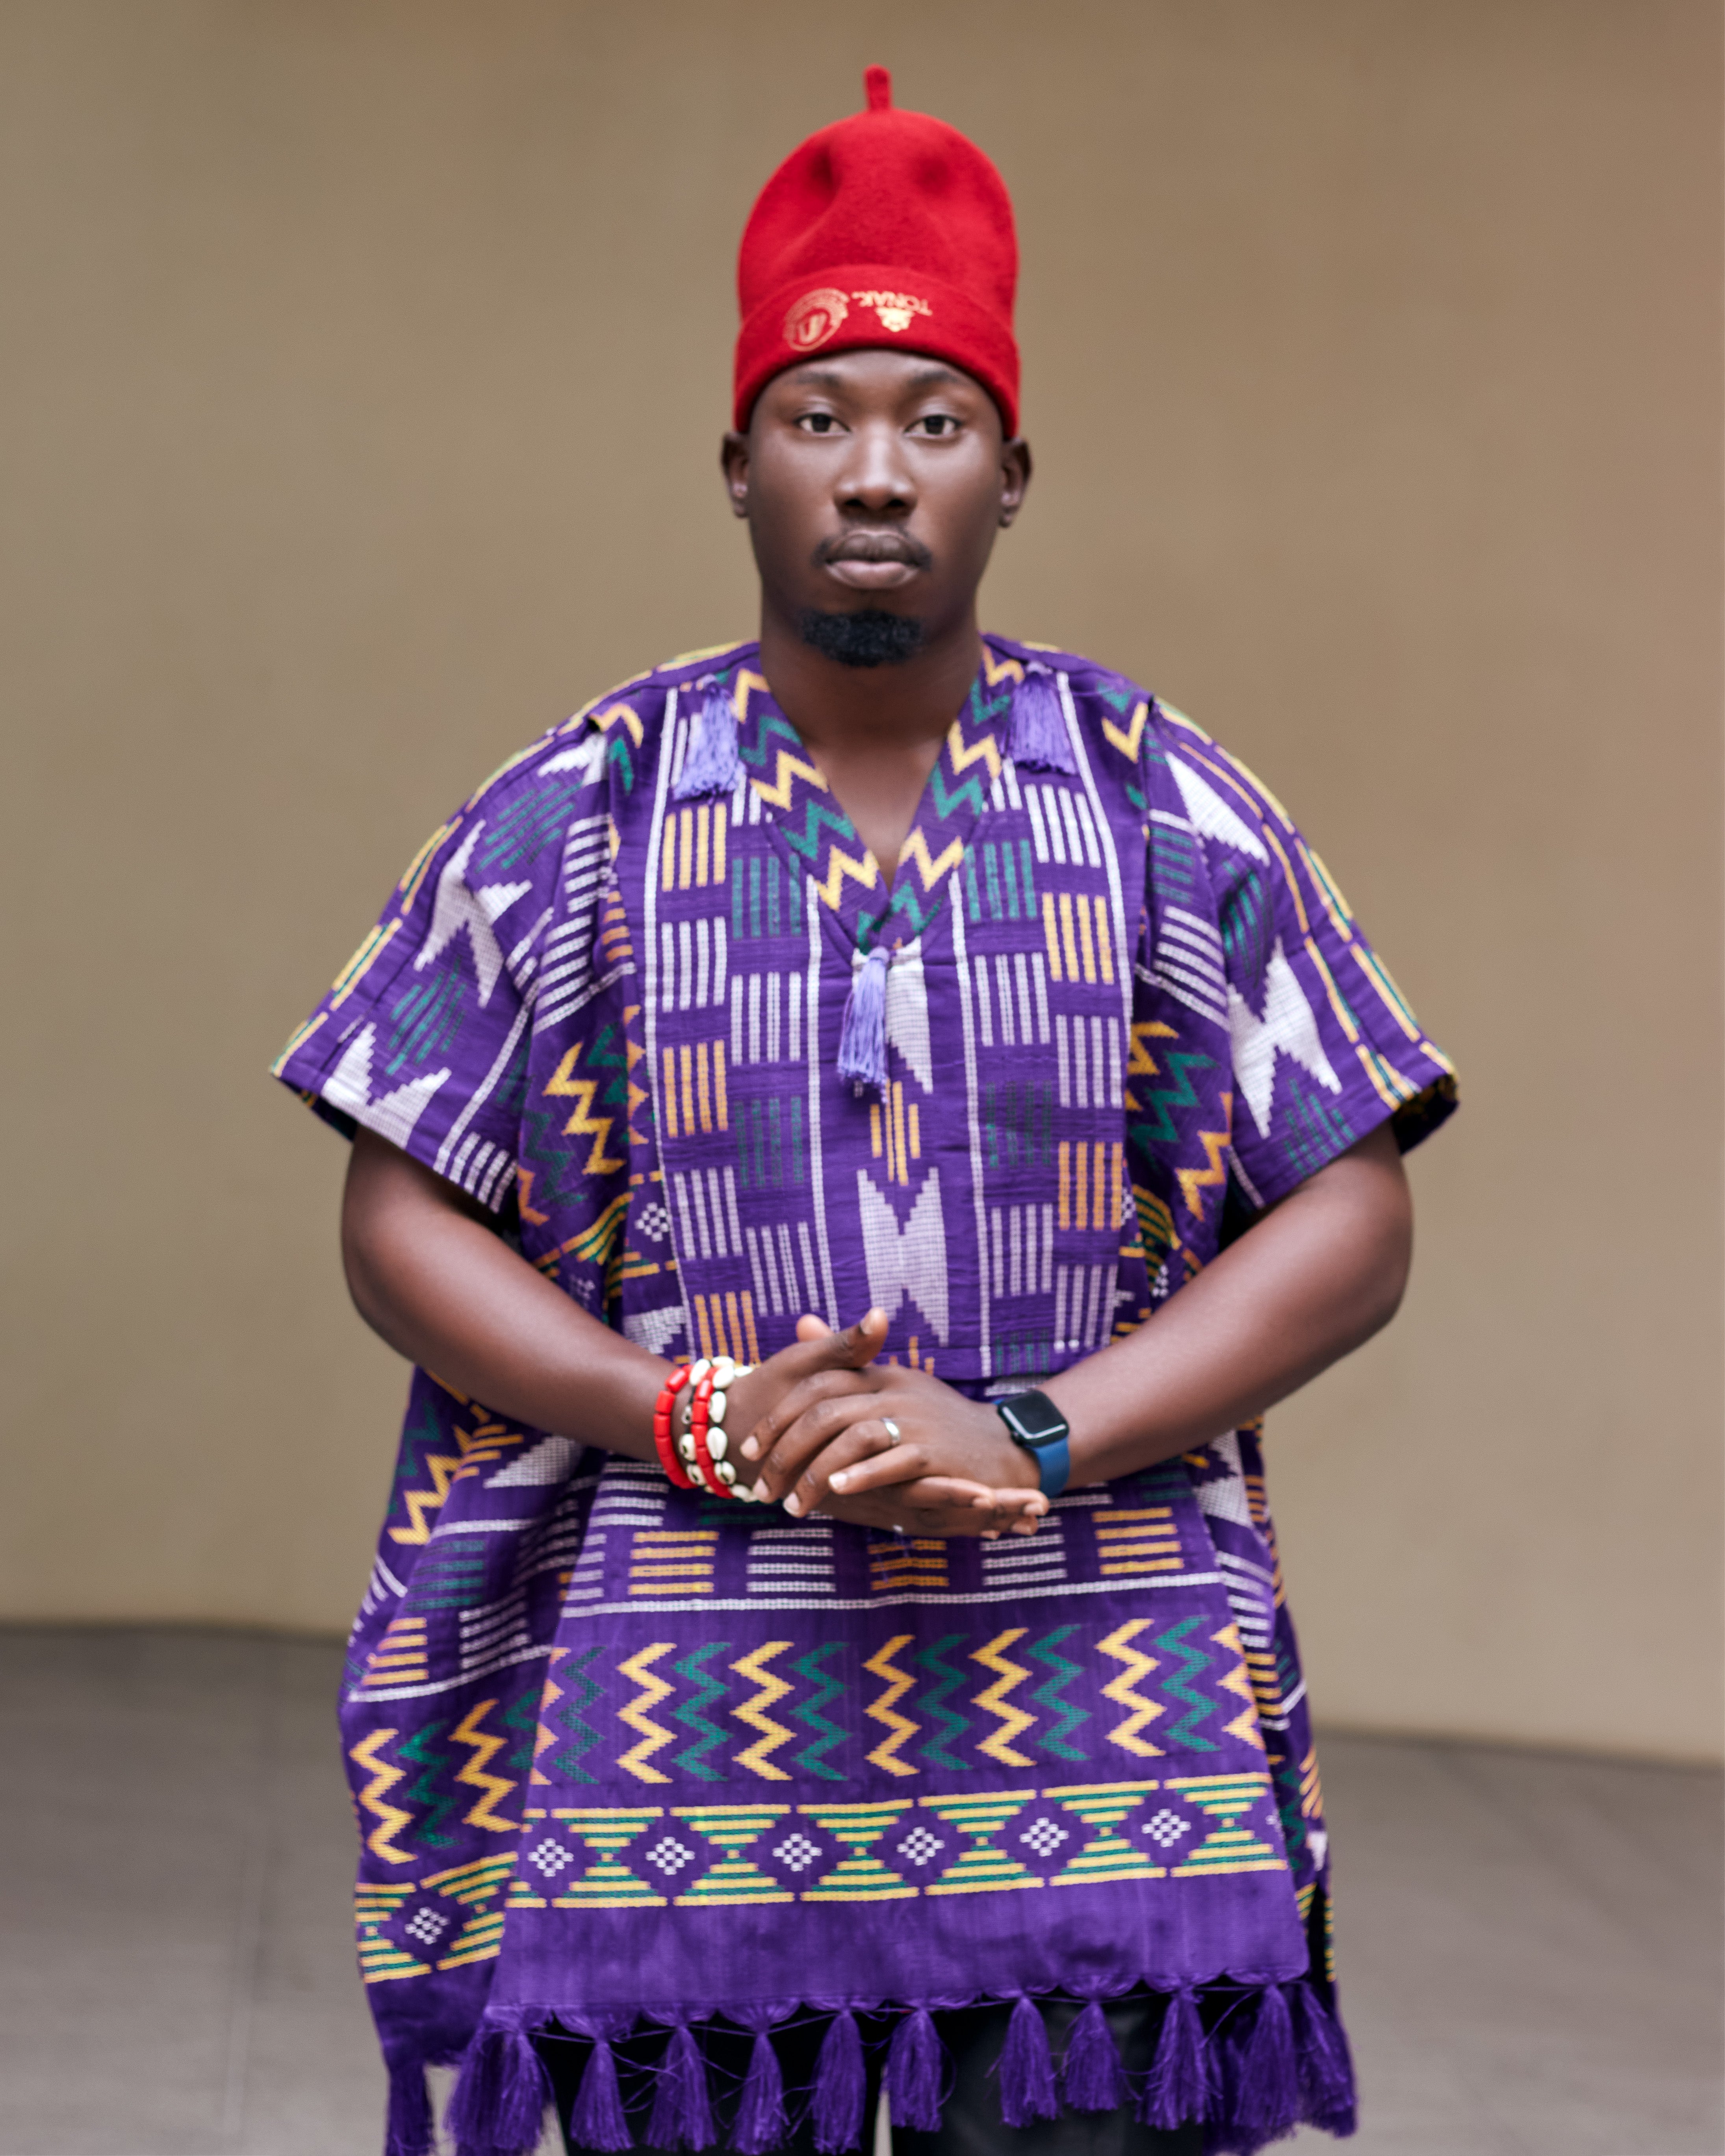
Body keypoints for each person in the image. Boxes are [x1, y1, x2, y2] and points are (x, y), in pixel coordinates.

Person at [275, 65, 1455, 2156]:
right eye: (822, 421)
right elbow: (398, 1209)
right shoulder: (583, 812)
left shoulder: (1159, 800)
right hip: (699, 1755)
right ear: (734, 465)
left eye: (937, 419)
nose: (880, 474)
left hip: (1104, 1741)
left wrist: (1028, 1427)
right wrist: (689, 1415)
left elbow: (1353, 1203)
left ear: (1018, 469)